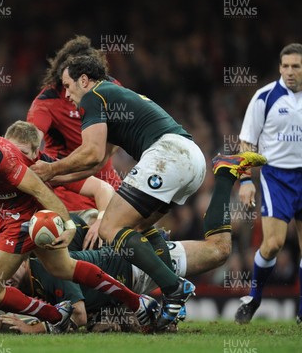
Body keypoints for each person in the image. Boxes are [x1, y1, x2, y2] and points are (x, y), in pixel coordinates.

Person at [30, 55, 267, 329]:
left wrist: (50, 169)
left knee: (109, 228)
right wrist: (56, 177)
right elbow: (95, 162)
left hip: (167, 155)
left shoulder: (93, 96)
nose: (66, 93)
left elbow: (91, 152)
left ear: (84, 80)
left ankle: (173, 288)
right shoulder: (112, 95)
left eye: (68, 85)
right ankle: (224, 174)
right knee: (137, 227)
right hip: (188, 157)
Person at [0, 99, 158, 334]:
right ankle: (138, 303)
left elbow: (40, 190)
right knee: (63, 268)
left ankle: (54, 316)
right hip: (10, 214)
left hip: (26, 217)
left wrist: (68, 225)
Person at [1, 151, 267, 333]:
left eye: (7, 270)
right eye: (2, 281)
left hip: (136, 265)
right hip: (130, 269)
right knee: (216, 251)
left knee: (218, 251)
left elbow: (78, 315)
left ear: (21, 258)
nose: (7, 279)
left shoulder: (47, 268)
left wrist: (38, 327)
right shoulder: (36, 282)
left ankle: (223, 175)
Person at [235, 43, 302, 325]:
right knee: (273, 244)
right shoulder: (265, 97)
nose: (289, 72)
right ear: (279, 67)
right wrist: (246, 179)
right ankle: (254, 297)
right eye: (285, 66)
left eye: (296, 66)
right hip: (277, 178)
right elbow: (246, 141)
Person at [27, 35, 122, 216]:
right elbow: (31, 140)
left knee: (135, 231)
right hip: (67, 183)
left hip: (106, 176)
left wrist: (104, 156)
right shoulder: (47, 101)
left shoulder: (109, 87)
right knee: (88, 233)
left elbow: (120, 132)